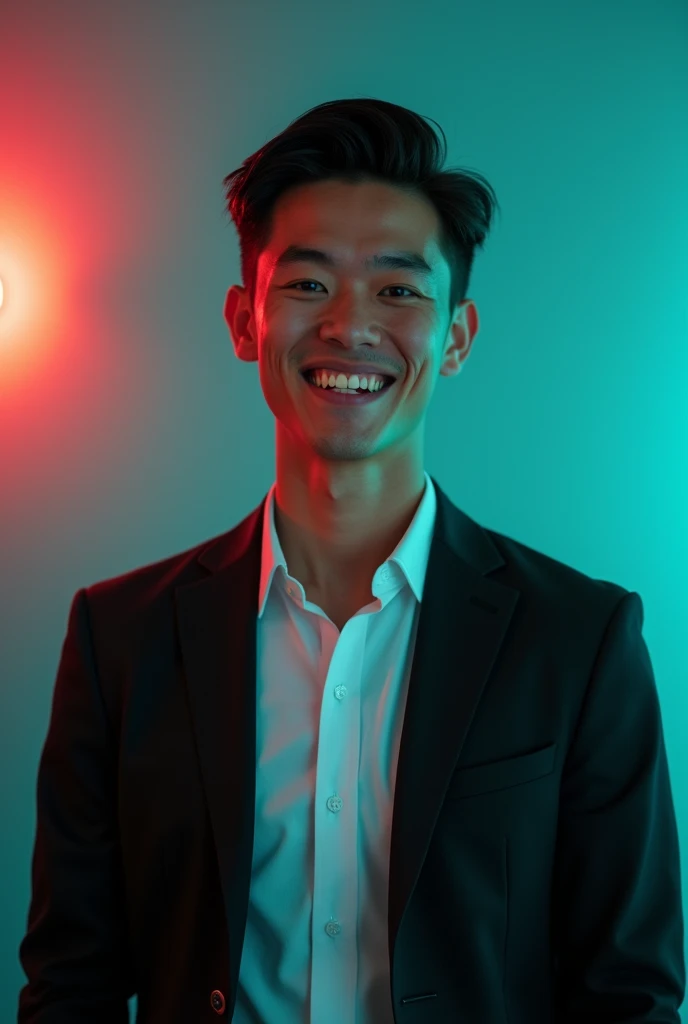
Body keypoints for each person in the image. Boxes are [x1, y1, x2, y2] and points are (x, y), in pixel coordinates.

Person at [18, 98, 684, 1023]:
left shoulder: (580, 640)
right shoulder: (119, 638)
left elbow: (630, 993)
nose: (349, 326)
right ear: (246, 321)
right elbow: (71, 983)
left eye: (399, 290)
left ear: (454, 338)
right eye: (308, 284)